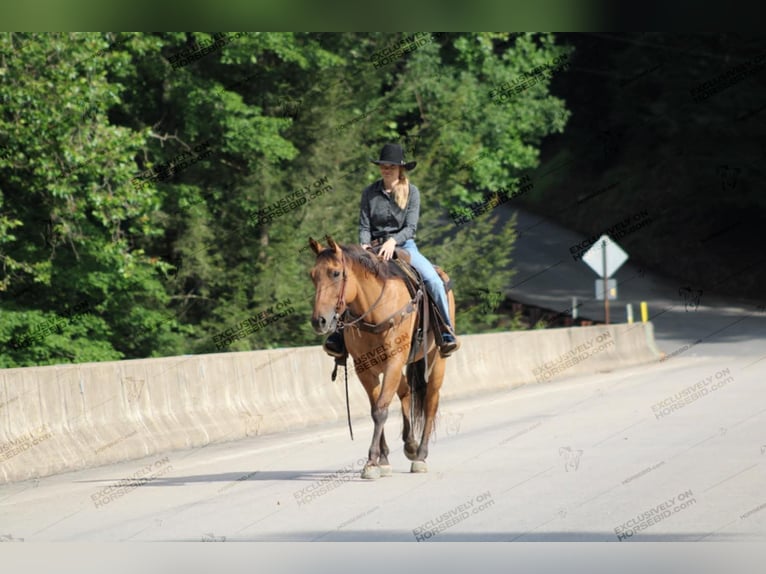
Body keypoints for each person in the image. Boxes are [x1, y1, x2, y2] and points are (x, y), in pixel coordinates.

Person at [323, 143, 460, 358]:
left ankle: (446, 331)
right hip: (372, 248)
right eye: (384, 166)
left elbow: (411, 228)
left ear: (400, 169)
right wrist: (365, 244)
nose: (387, 169)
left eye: (391, 166)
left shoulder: (412, 192)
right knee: (349, 279)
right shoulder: (369, 192)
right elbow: (364, 225)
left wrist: (392, 242)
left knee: (433, 280)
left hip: (404, 246)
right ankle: (338, 336)